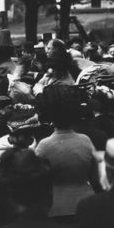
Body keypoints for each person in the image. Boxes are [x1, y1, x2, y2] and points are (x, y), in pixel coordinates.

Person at [33, 85, 99, 217]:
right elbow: (95, 177)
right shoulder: (85, 140)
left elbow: (38, 183)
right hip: (86, 203)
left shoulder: (44, 145)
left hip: (56, 206)